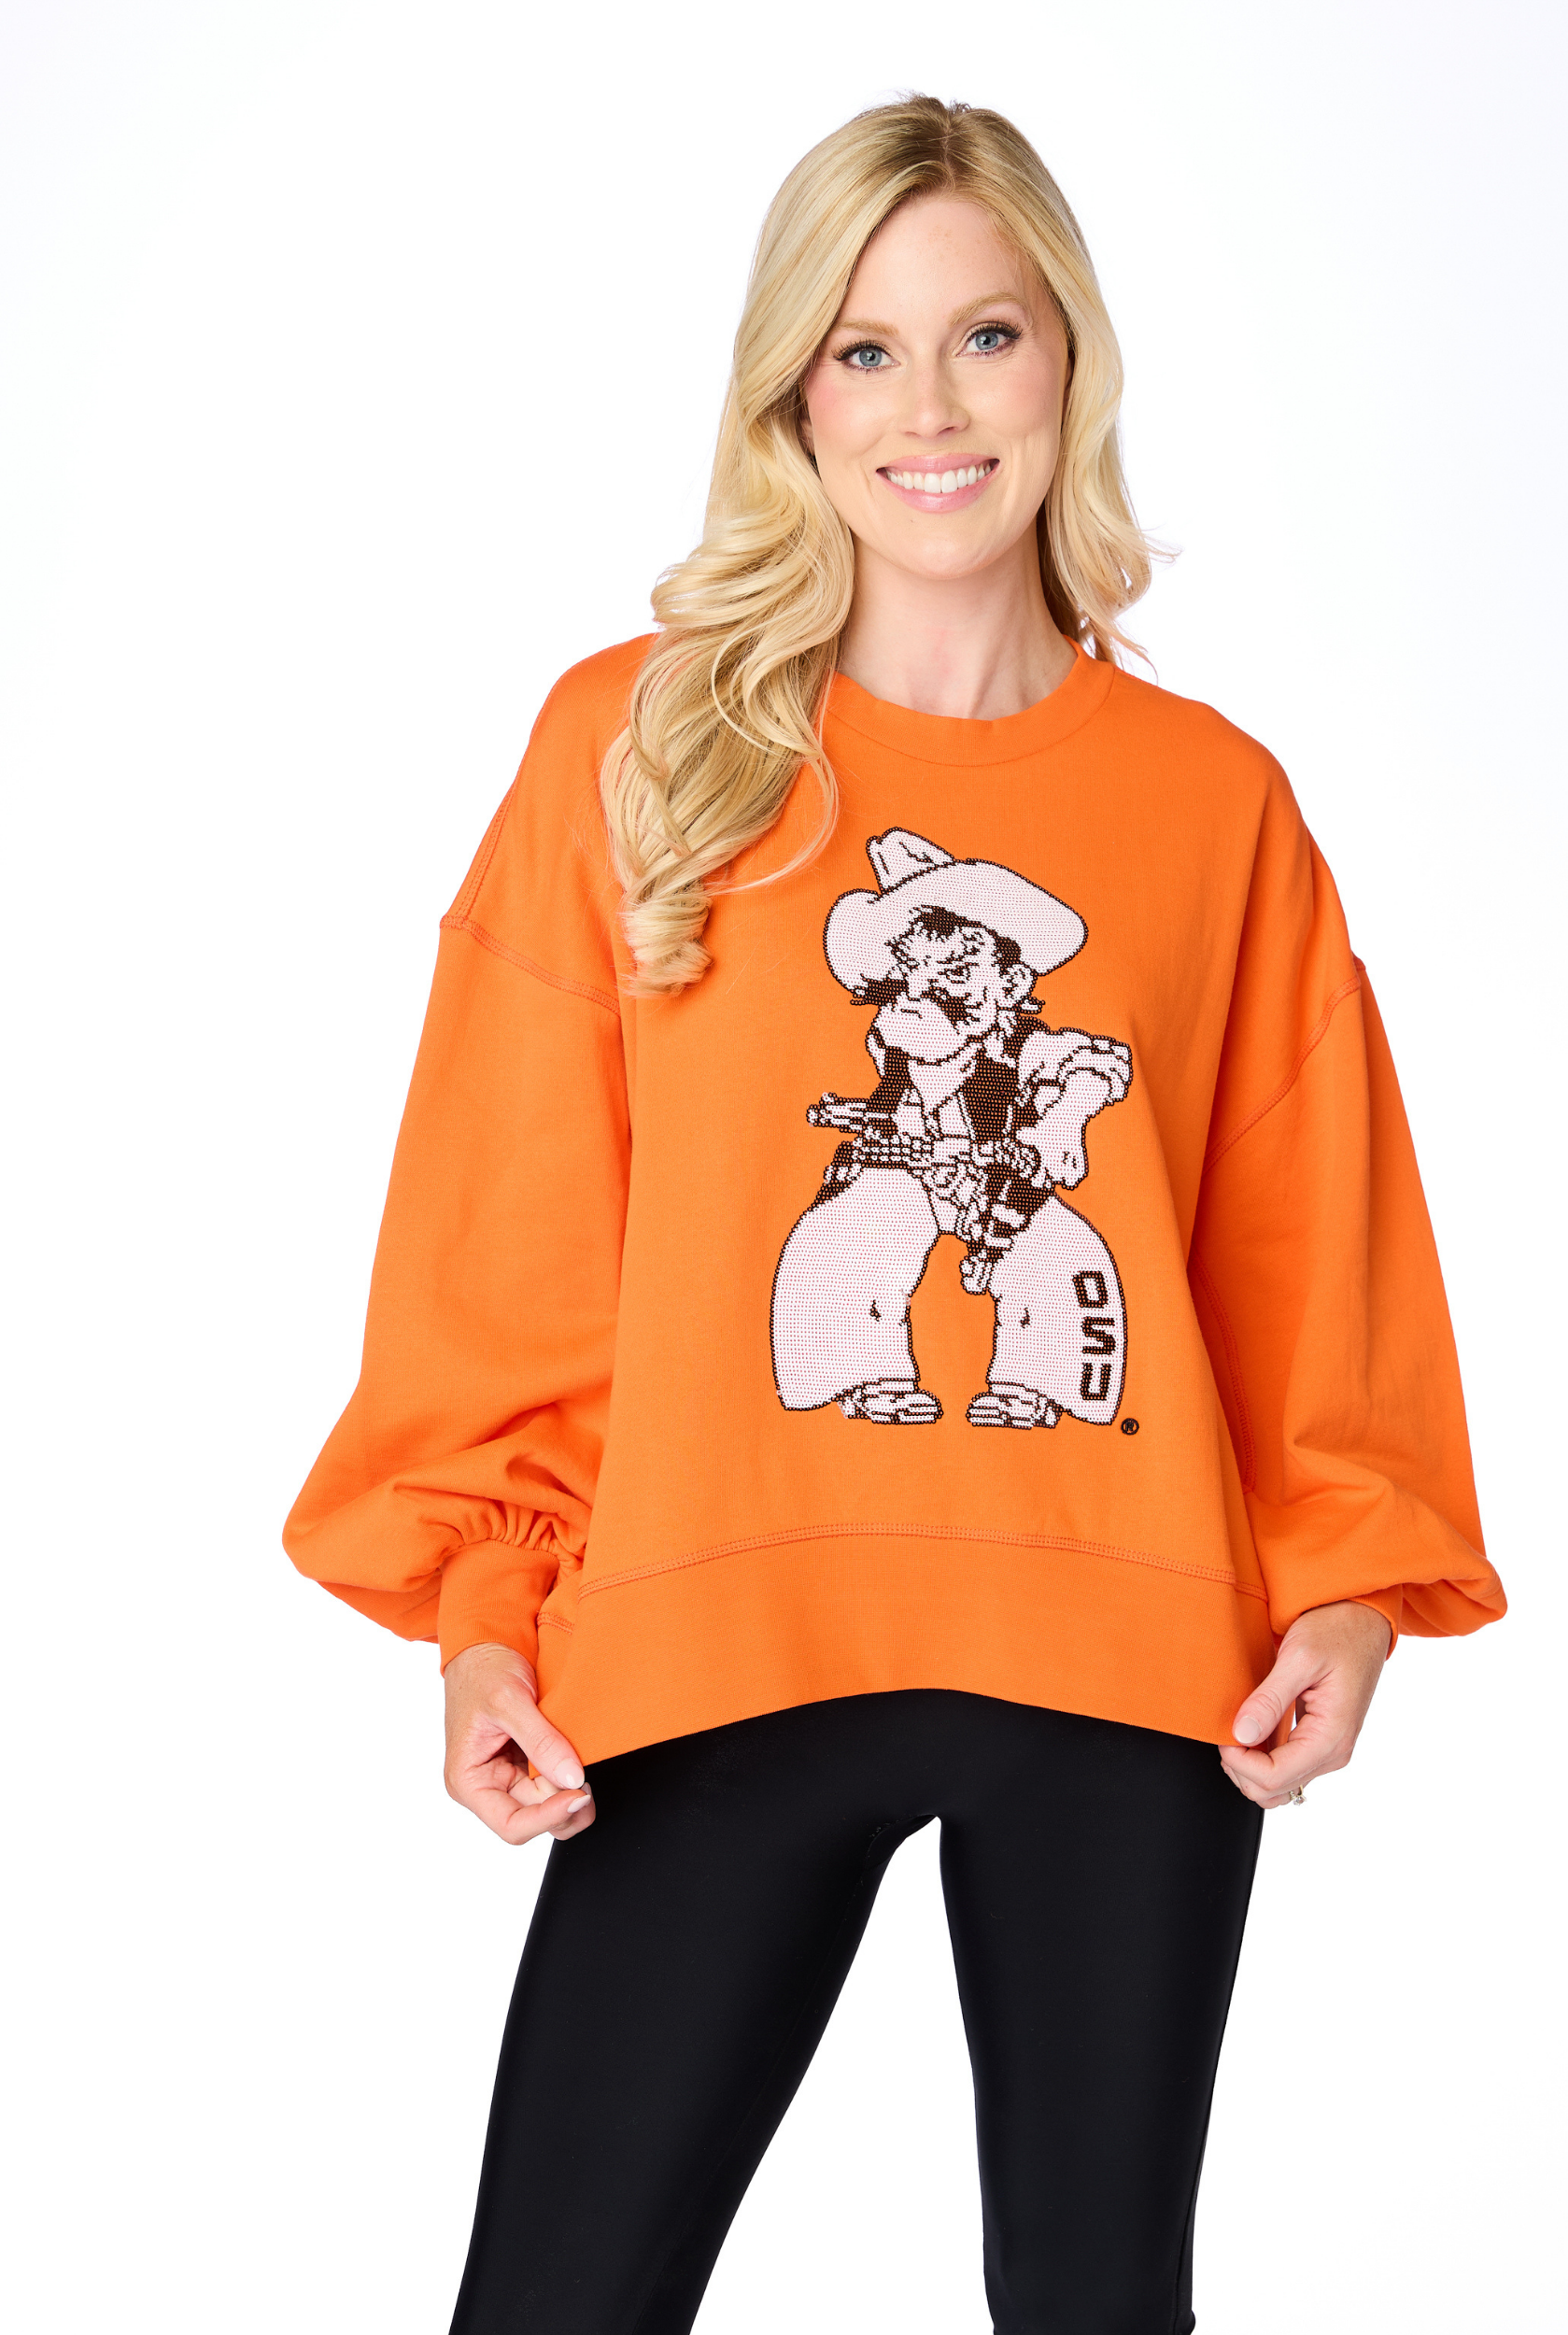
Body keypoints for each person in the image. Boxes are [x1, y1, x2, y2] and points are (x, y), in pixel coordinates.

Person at [285, 94, 1505, 2335]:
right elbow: (511, 1224)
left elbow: (1301, 1240)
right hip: (726, 1630)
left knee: (1095, 2300)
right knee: (553, 2292)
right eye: (862, 349)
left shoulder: (1211, 802)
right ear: (791, 393)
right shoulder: (633, 749)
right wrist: (485, 1607)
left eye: (983, 337)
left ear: (1069, 364)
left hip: (1125, 1654)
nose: (927, 408)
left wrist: (1346, 1592)